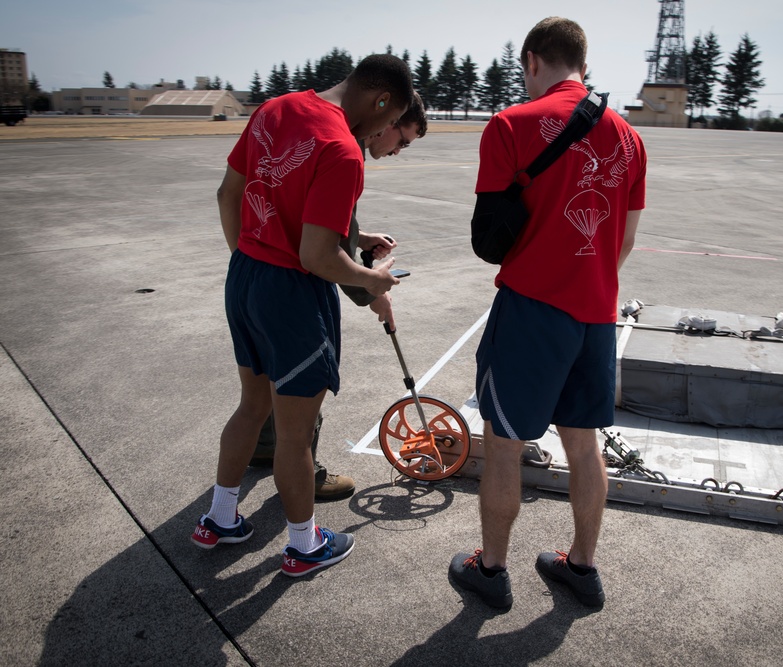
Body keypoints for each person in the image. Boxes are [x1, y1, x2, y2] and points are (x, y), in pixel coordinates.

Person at [449, 17, 647, 609]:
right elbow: (625, 242)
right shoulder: (631, 138)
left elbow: (488, 235)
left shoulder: (511, 123)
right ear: (582, 64)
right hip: (596, 315)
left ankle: (491, 570)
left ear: (533, 60)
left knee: (505, 443)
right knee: (584, 447)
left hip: (532, 312)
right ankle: (581, 567)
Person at [190, 54, 414, 578]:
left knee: (251, 407)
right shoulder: (342, 149)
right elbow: (318, 257)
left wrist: (252, 256)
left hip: (244, 275)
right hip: (291, 295)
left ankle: (220, 519)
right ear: (382, 101)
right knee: (294, 433)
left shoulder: (275, 109)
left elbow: (230, 193)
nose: (384, 132)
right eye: (390, 122)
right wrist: (374, 280)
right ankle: (304, 545)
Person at [247, 93, 429, 501]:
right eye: (403, 140)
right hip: (294, 282)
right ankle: (303, 476)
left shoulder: (311, 126)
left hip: (254, 271)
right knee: (304, 381)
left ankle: (262, 446)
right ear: (391, 117)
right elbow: (324, 249)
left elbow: (316, 215)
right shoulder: (345, 150)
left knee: (266, 374)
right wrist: (371, 288)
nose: (397, 150)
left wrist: (359, 236)